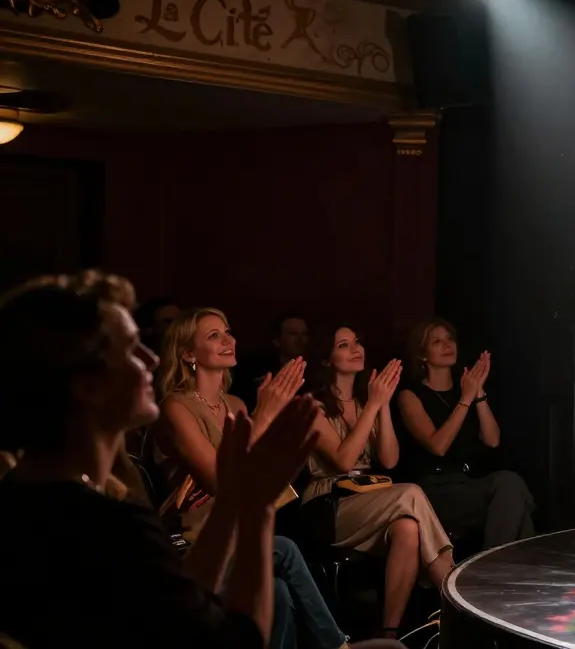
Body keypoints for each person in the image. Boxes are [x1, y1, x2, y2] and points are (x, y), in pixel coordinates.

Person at [0, 271, 319, 648]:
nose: (151, 359)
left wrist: (235, 497)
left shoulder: (28, 493)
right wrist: (258, 510)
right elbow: (237, 641)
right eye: (130, 349)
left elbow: (183, 604)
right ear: (87, 386)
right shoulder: (105, 525)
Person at [152, 307, 358, 649]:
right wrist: (264, 415)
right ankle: (339, 645)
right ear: (188, 353)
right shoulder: (176, 407)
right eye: (214, 335)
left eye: (228, 332)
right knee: (286, 550)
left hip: (239, 534)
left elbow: (262, 480)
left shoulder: (235, 404)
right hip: (196, 542)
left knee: (277, 591)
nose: (228, 340)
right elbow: (222, 483)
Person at [304, 325, 455, 639]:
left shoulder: (365, 401)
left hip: (368, 497)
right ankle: (453, 589)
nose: (355, 348)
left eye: (357, 342)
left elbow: (389, 459)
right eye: (343, 345)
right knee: (411, 492)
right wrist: (374, 404)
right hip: (328, 504)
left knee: (408, 528)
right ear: (327, 359)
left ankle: (388, 636)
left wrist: (382, 404)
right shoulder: (312, 404)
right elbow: (343, 461)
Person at [396, 319, 535, 548]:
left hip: (469, 484)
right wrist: (466, 398)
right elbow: (438, 446)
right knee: (513, 491)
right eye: (437, 341)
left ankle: (498, 567)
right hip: (434, 490)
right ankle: (499, 568)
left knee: (513, 494)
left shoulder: (465, 389)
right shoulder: (410, 396)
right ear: (422, 355)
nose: (447, 344)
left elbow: (493, 440)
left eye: (450, 339)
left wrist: (478, 392)